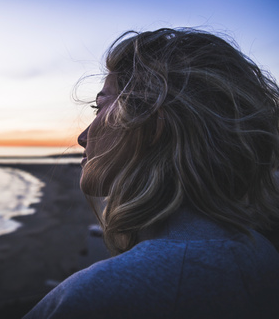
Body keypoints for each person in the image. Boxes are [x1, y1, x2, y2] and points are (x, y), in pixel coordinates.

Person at [25, 28, 279, 318]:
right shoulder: (261, 254)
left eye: (100, 107)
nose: (83, 137)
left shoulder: (101, 296)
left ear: (152, 123)